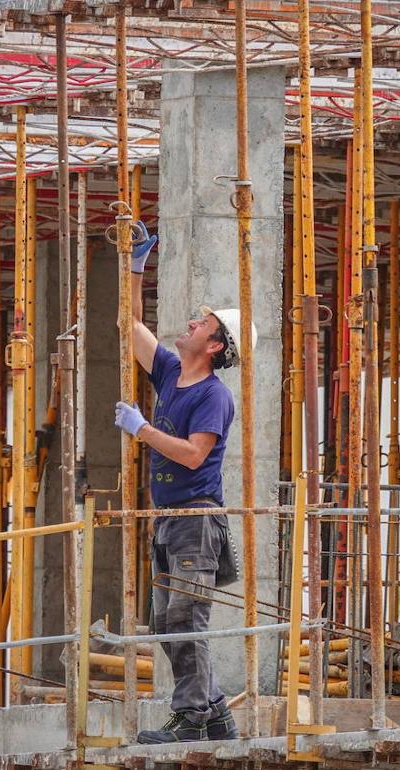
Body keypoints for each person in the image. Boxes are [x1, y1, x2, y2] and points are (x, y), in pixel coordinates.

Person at [112, 223, 253, 743]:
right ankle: (214, 714)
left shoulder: (214, 396)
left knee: (185, 619)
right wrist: (135, 267)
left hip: (196, 519)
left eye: (202, 323)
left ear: (215, 345)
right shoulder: (171, 372)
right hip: (169, 520)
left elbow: (195, 455)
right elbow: (128, 326)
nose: (191, 322)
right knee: (166, 622)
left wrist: (143, 430)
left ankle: (192, 718)